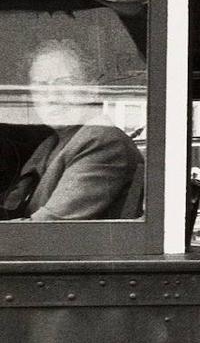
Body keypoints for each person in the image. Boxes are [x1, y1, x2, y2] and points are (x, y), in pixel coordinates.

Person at [0, 39, 144, 220]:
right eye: (41, 86)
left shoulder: (101, 140)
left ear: (92, 89)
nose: (52, 97)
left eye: (65, 83)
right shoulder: (49, 145)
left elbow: (47, 227)